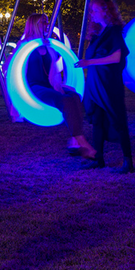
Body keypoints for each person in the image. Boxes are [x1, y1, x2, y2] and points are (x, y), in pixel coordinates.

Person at [21, 13, 98, 160]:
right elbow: (9, 67)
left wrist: (59, 88)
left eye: (47, 22)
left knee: (74, 95)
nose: (47, 25)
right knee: (66, 101)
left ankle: (74, 141)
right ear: (34, 24)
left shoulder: (49, 46)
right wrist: (16, 101)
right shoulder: (25, 45)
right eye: (43, 22)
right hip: (32, 88)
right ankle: (82, 143)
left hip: (47, 86)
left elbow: (54, 73)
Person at [76, 0, 134, 172]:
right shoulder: (96, 34)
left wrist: (89, 62)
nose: (91, 13)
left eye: (94, 9)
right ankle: (98, 158)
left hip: (109, 83)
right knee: (97, 120)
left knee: (117, 119)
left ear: (105, 11)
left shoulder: (114, 31)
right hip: (95, 82)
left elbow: (116, 57)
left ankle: (128, 162)